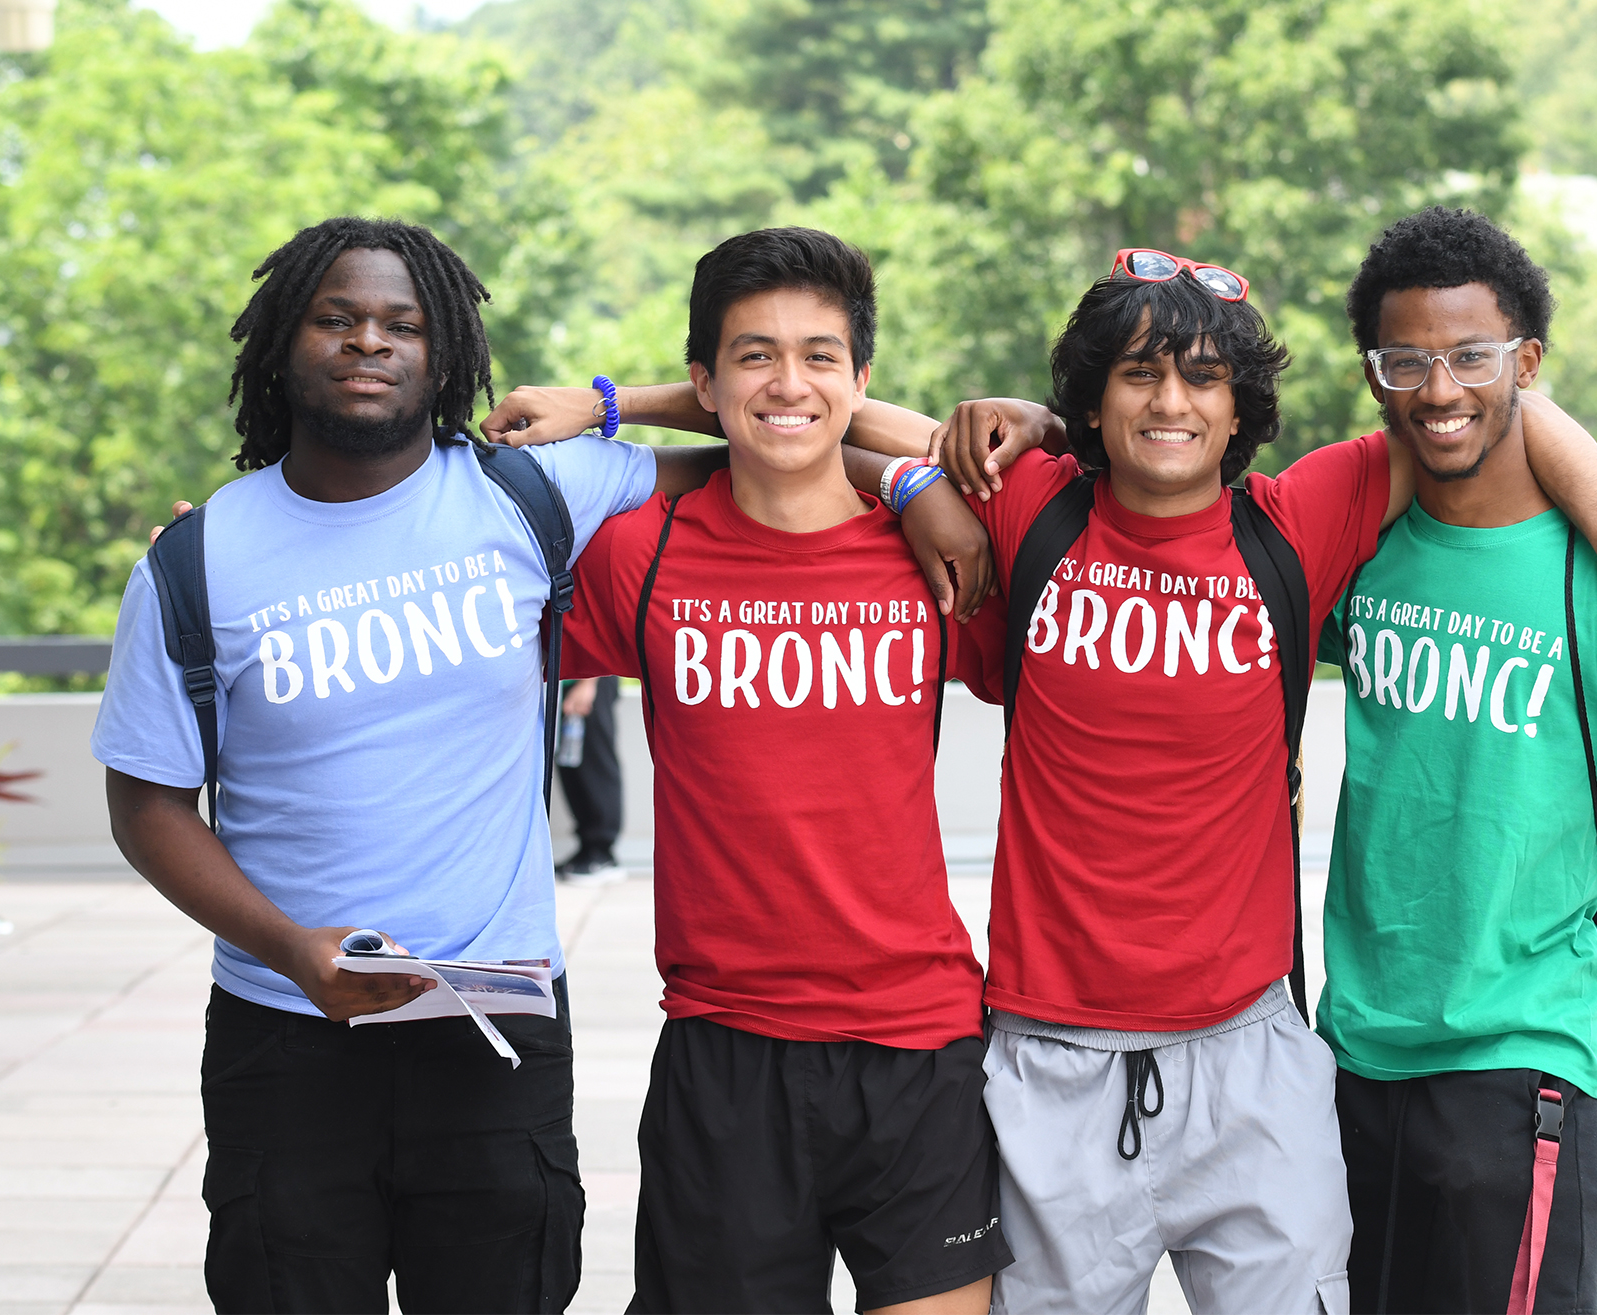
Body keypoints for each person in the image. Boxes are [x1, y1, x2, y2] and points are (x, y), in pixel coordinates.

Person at [599, 242, 1597, 1313]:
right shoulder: (1032, 507)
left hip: (1251, 1056)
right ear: (1094, 403)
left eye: (1203, 378)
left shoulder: (1300, 520)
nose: (1172, 402)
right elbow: (811, 421)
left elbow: (1486, 407)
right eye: (1139, 375)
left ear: (1242, 409)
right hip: (1045, 1060)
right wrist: (634, 408)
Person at [91, 216, 736, 1315]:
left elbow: (787, 434)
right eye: (335, 318)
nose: (368, 342)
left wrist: (613, 403)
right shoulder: (197, 560)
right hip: (285, 1032)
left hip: (491, 1023)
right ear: (281, 345)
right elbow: (148, 804)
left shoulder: (531, 494)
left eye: (403, 323)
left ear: (445, 356)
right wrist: (292, 949)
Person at [482, 227, 1012, 1314]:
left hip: (920, 1049)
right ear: (704, 381)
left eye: (823, 356)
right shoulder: (642, 554)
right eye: (754, 355)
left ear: (862, 379)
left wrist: (912, 480)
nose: (790, 381)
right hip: (725, 1053)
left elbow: (1068, 476)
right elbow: (446, 574)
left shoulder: (941, 555)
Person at [1320, 207, 1597, 1314]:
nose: (1440, 389)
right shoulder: (1358, 550)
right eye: (1406, 360)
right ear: (1374, 376)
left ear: (1527, 365)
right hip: (1349, 1052)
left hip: (1521, 1058)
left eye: (1471, 356)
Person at [553, 675, 625, 883]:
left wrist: (588, 682)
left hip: (589, 678)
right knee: (573, 765)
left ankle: (601, 854)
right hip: (567, 681)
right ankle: (588, 849)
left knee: (595, 763)